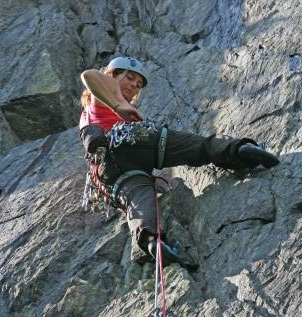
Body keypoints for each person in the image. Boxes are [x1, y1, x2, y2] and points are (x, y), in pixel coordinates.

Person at [79, 56, 279, 270]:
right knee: (198, 147)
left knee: (139, 197)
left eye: (138, 85)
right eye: (129, 78)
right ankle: (238, 152)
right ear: (112, 75)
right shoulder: (100, 98)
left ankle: (150, 240)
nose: (134, 86)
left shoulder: (96, 114)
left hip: (118, 169)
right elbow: (89, 75)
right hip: (132, 142)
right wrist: (119, 106)